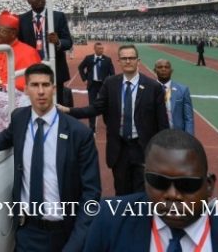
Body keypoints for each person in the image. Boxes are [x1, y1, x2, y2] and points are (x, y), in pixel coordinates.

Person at [0, 63, 101, 252]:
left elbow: (92, 194)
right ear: (26, 89)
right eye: (35, 85)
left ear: (54, 89)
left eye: (45, 85)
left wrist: (76, 243)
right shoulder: (19, 118)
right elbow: (7, 137)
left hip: (64, 234)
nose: (41, 91)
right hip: (27, 231)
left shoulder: (79, 133)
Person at [84, 129, 218, 251]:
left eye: (186, 184)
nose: (172, 194)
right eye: (159, 182)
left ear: (209, 185)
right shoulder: (109, 220)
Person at [59, 45, 169, 195]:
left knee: (143, 195)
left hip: (143, 149)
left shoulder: (153, 87)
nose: (128, 61)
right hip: (119, 150)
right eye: (124, 58)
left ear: (138, 61)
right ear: (119, 61)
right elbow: (95, 108)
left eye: (131, 58)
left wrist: (163, 154)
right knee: (121, 193)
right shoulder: (110, 83)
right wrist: (69, 111)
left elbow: (163, 124)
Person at [18, 0, 73, 106]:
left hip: (54, 67)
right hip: (32, 67)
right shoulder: (22, 19)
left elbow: (68, 42)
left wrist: (58, 42)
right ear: (28, 1)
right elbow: (19, 44)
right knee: (34, 103)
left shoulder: (58, 16)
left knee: (56, 104)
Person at [77, 42, 115, 133]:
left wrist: (110, 83)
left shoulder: (107, 60)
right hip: (92, 85)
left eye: (102, 48)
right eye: (99, 48)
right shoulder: (88, 58)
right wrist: (84, 79)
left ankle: (108, 124)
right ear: (94, 49)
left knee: (106, 105)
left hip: (103, 86)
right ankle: (92, 127)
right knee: (92, 106)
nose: (101, 50)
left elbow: (112, 73)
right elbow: (80, 67)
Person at [154, 59, 195, 135]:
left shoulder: (183, 90)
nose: (163, 69)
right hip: (155, 135)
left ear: (171, 70)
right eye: (160, 67)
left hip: (177, 134)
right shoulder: (149, 89)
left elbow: (189, 118)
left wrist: (189, 138)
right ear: (154, 70)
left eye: (166, 67)